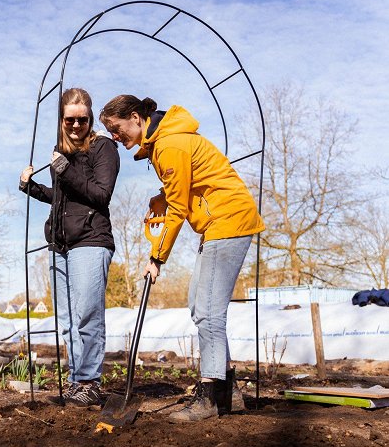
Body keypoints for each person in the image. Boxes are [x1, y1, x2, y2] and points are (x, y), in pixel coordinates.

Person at [100, 95, 265, 422]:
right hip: (221, 222)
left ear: (135, 118)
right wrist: (162, 196)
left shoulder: (169, 146)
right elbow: (185, 188)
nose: (116, 138)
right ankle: (228, 391)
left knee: (208, 311)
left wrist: (156, 257)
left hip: (228, 220)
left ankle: (208, 396)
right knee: (198, 305)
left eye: (117, 130)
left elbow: (178, 210)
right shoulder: (165, 141)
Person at [20, 87, 120, 407]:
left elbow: (100, 194)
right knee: (66, 320)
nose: (76, 125)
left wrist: (66, 168)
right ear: (61, 120)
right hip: (60, 244)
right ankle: (77, 380)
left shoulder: (103, 148)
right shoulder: (61, 153)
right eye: (70, 120)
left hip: (90, 240)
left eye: (82, 119)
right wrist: (30, 188)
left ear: (90, 117)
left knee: (87, 315)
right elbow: (61, 198)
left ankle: (90, 382)